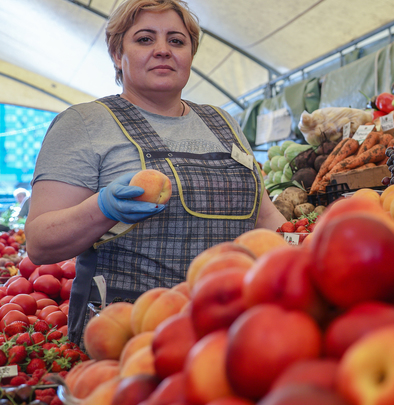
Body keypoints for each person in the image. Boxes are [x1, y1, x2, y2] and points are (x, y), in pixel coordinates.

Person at [25, 0, 286, 343]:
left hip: (232, 323)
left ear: (191, 54)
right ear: (118, 55)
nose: (163, 50)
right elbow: (40, 243)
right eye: (145, 39)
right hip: (133, 332)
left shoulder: (223, 122)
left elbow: (264, 217)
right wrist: (101, 208)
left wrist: (309, 250)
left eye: (176, 41)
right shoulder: (85, 123)